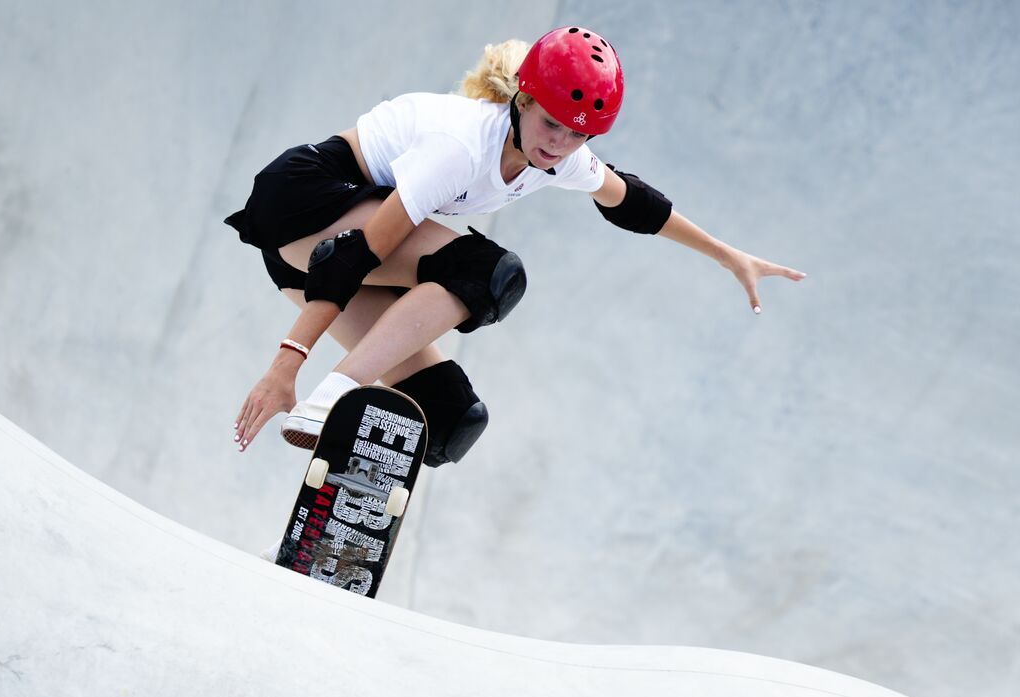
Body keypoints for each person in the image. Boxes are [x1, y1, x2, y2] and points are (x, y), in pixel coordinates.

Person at [226, 27, 805, 465]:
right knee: (487, 272)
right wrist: (286, 367)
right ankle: (333, 395)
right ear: (523, 101)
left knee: (445, 418)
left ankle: (327, 521)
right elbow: (355, 256)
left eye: (579, 134)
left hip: (328, 257)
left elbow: (632, 202)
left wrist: (728, 255)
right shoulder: (460, 145)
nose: (560, 145)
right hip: (303, 207)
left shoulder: (563, 158)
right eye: (552, 124)